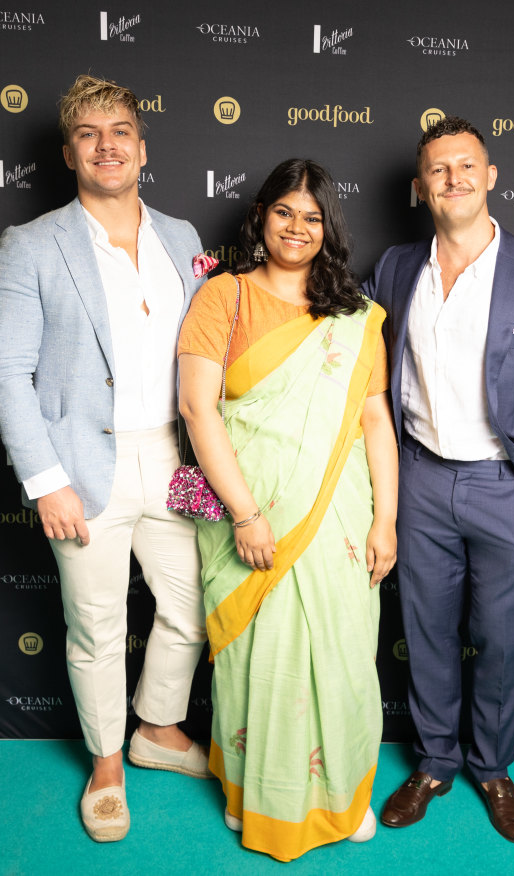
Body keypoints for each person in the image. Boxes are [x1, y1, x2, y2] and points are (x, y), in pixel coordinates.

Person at [0, 75, 212, 843]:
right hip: (80, 464)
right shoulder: (31, 244)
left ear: (143, 147)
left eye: (119, 129)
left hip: (173, 453)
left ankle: (158, 727)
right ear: (68, 153)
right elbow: (8, 372)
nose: (107, 144)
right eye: (89, 134)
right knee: (94, 626)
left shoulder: (184, 238)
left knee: (190, 608)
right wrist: (46, 479)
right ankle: (108, 763)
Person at [363, 115, 514, 843]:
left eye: (466, 166)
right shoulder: (396, 267)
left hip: (504, 491)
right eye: (438, 169)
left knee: (497, 637)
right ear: (421, 186)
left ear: (489, 177)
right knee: (423, 633)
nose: (453, 178)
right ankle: (433, 763)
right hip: (420, 481)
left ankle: (492, 767)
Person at [178, 158, 398, 861]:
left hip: (338, 518)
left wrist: (385, 518)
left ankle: (337, 799)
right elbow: (196, 408)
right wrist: (245, 513)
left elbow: (374, 420)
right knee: (260, 663)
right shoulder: (225, 298)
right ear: (261, 218)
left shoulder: (355, 317)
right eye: (284, 213)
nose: (297, 228)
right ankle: (256, 792)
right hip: (254, 515)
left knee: (339, 655)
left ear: (328, 228)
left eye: (312, 217)